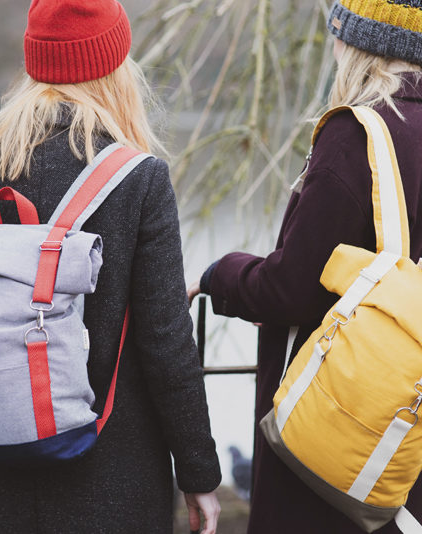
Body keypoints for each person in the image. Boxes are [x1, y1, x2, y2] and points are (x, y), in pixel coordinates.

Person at [0, 0, 222, 532]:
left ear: (32, 64)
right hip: (109, 483)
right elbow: (166, 344)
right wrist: (199, 473)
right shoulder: (138, 179)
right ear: (116, 67)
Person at [188, 1, 422, 533]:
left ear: (358, 42)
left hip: (339, 439)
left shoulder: (359, 136)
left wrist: (217, 276)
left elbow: (291, 289)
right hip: (408, 437)